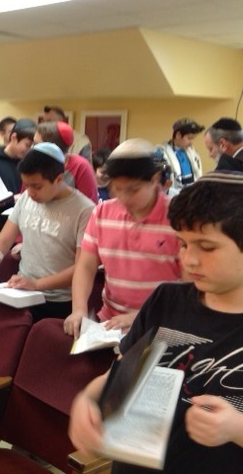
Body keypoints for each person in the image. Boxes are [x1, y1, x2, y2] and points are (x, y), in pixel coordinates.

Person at [69, 170, 243, 473]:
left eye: (207, 247)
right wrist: (88, 400)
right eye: (183, 244)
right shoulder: (166, 299)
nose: (189, 260)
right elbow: (121, 375)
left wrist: (237, 429)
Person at [64, 138, 183, 339]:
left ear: (155, 179)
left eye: (133, 190)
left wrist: (141, 317)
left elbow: (190, 287)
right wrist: (79, 309)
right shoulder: (102, 212)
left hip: (162, 326)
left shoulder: (178, 218)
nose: (124, 198)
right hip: (111, 325)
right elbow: (85, 266)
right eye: (117, 189)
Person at [0, 142, 94, 321]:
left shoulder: (84, 210)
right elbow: (2, 242)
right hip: (22, 293)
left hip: (59, 302)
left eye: (37, 186)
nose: (30, 193)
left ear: (59, 179)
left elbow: (82, 267)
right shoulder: (26, 200)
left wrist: (37, 284)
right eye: (26, 185)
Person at [34, 121, 98, 203]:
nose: (33, 148)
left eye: (36, 144)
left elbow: (90, 204)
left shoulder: (81, 166)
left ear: (52, 147)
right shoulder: (33, 164)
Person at [155, 117, 204, 196]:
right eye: (189, 138)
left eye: (193, 138)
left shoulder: (193, 153)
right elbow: (159, 180)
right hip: (172, 195)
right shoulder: (161, 153)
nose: (191, 142)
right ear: (178, 135)